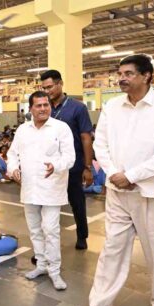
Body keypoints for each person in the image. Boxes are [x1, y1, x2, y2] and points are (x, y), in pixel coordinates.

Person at [78, 54, 154, 306]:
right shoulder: (112, 106)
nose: (121, 78)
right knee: (112, 248)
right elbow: (101, 144)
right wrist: (113, 173)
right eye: (120, 73)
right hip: (117, 191)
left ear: (147, 75)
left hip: (152, 192)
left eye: (128, 73)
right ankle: (99, 305)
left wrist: (132, 175)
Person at [7, 90, 74, 291]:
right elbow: (12, 153)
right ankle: (42, 265)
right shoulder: (23, 130)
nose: (43, 108)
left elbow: (70, 157)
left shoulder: (61, 128)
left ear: (50, 107)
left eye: (46, 105)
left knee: (51, 230)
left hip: (52, 188)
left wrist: (56, 166)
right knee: (35, 230)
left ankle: (55, 271)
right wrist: (13, 169)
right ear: (31, 109)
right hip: (29, 188)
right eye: (39, 105)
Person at [40, 69, 95, 250]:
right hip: (50, 166)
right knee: (47, 205)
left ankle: (82, 236)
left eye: (50, 87)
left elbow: (86, 137)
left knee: (77, 202)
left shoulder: (77, 107)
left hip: (73, 165)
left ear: (60, 83)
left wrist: (87, 167)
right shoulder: (43, 108)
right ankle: (46, 244)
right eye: (44, 88)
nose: (47, 91)